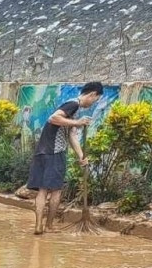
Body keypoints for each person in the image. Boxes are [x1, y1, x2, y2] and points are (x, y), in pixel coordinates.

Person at [29, 80, 102, 234]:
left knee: (42, 191)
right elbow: (53, 118)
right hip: (55, 152)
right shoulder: (74, 104)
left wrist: (82, 156)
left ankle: (38, 225)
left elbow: (71, 135)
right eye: (95, 99)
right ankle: (48, 226)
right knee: (55, 191)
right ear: (92, 94)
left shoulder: (71, 108)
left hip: (42, 151)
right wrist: (77, 122)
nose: (94, 102)